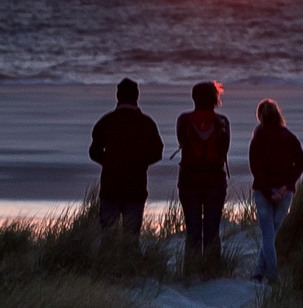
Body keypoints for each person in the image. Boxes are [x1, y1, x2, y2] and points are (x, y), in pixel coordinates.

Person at [89, 77, 164, 247]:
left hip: (111, 185)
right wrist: (139, 163)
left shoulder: (107, 121)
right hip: (135, 186)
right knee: (131, 236)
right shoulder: (146, 122)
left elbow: (94, 152)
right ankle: (129, 268)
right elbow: (157, 152)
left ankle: (108, 269)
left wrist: (109, 163)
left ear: (118, 96)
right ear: (137, 96)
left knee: (108, 236)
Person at [248, 98, 303, 283]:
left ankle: (270, 275)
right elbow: (301, 163)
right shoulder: (289, 137)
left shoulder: (258, 139)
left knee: (268, 235)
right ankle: (260, 272)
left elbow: (256, 168)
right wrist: (286, 187)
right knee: (270, 235)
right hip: (281, 192)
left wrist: (270, 191)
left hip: (267, 192)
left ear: (260, 117)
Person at [175, 80, 230, 265]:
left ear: (193, 98)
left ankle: (191, 271)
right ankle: (212, 271)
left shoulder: (183, 119)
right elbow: (225, 150)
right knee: (212, 230)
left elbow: (181, 140)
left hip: (189, 178)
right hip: (215, 179)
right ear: (215, 98)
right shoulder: (222, 121)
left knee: (192, 230)